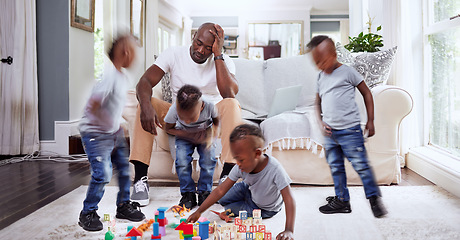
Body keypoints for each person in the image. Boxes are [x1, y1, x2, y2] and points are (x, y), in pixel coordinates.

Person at [129, 22, 241, 206]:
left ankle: (227, 178)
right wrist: (147, 105)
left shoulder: (224, 61)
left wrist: (218, 55)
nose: (200, 50)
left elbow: (229, 94)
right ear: (193, 36)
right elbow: (145, 81)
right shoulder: (174, 53)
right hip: (179, 114)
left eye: (208, 48)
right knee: (144, 103)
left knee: (232, 104)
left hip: (210, 117)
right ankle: (140, 180)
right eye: (198, 43)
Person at [307, 35, 387, 218]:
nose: (319, 65)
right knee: (335, 166)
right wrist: (320, 123)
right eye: (316, 62)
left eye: (323, 60)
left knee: (361, 165)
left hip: (350, 131)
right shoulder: (320, 76)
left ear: (334, 54)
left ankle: (374, 199)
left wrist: (371, 120)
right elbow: (317, 103)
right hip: (330, 134)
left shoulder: (348, 72)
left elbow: (367, 93)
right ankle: (342, 201)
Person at [77, 34, 145, 231]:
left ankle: (123, 205)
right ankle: (87, 212)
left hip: (112, 133)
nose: (135, 57)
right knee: (102, 174)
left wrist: (116, 128)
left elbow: (112, 107)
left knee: (124, 170)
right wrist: (106, 128)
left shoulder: (121, 77)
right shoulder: (110, 77)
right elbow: (93, 105)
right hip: (96, 134)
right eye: (134, 52)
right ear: (124, 52)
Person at [187, 124, 296, 240]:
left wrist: (289, 229)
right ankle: (229, 181)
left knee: (229, 209)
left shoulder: (275, 169)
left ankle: (236, 195)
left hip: (264, 208)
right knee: (221, 197)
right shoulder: (241, 166)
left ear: (257, 154)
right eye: (236, 159)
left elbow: (289, 198)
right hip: (247, 189)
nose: (237, 163)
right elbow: (219, 191)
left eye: (241, 159)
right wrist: (199, 212)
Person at [164, 84, 219, 208]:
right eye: (183, 118)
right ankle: (188, 193)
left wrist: (211, 137)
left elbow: (217, 122)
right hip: (184, 135)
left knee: (208, 160)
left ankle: (205, 192)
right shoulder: (173, 109)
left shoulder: (209, 105)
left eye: (191, 118)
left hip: (204, 135)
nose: (187, 121)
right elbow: (168, 128)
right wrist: (187, 134)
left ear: (201, 107)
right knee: (182, 162)